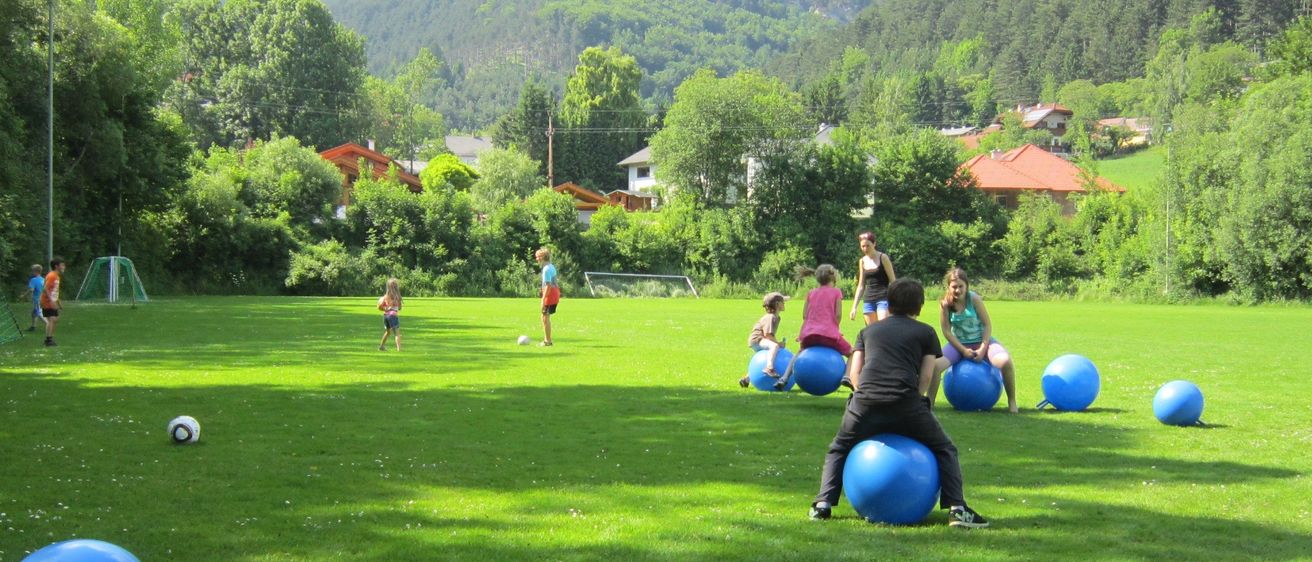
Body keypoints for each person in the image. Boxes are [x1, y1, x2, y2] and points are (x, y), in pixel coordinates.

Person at [809, 277, 989, 528]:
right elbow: (926, 375)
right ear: (919, 306)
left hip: (865, 403)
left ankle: (822, 505)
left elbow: (854, 374)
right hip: (906, 402)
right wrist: (915, 401)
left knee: (839, 448)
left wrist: (866, 397)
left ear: (889, 304)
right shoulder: (926, 332)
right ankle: (957, 509)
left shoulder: (867, 331)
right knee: (945, 448)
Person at [928, 267, 1018, 413]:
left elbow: (987, 325)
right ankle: (929, 403)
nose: (957, 290)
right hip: (958, 344)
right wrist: (963, 350)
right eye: (954, 287)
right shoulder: (946, 305)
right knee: (935, 366)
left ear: (967, 285)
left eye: (961, 286)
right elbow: (946, 331)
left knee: (1005, 361)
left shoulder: (974, 299)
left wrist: (982, 349)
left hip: (983, 341)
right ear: (949, 287)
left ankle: (1012, 401)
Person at [775, 265, 851, 390]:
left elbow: (805, 315)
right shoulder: (836, 292)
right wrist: (834, 329)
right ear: (833, 277)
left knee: (799, 353)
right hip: (829, 335)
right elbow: (838, 315)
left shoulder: (811, 293)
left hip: (809, 335)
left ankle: (784, 378)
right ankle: (846, 376)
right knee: (852, 353)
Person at [740, 292, 788, 388]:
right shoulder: (771, 317)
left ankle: (746, 379)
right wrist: (778, 343)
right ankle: (769, 368)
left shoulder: (776, 317)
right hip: (758, 339)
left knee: (767, 356)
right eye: (783, 302)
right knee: (774, 347)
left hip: (758, 339)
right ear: (777, 304)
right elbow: (768, 335)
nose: (784, 304)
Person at [849, 232, 897, 326]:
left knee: (883, 329)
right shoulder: (862, 261)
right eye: (862, 246)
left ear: (874, 243)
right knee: (871, 331)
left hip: (883, 298)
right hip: (868, 300)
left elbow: (893, 281)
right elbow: (861, 285)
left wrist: (896, 301)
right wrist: (854, 307)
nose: (865, 249)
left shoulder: (883, 257)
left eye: (868, 245)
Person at [535, 248, 560, 346]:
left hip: (550, 294)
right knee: (545, 317)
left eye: (537, 257)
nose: (536, 259)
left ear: (542, 257)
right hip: (555, 293)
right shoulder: (551, 266)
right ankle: (547, 340)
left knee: (545, 317)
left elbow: (548, 285)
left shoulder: (546, 269)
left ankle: (548, 341)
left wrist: (543, 299)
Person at [40, 258, 65, 347]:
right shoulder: (52, 276)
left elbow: (54, 290)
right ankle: (48, 340)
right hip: (47, 301)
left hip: (52, 301)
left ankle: (49, 338)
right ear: (56, 266)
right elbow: (45, 288)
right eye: (62, 265)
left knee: (54, 320)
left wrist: (58, 302)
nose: (63, 267)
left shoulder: (56, 276)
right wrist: (51, 300)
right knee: (52, 319)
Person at [377, 277, 402, 351]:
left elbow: (380, 306)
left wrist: (386, 308)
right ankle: (399, 349)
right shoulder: (397, 296)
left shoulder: (385, 296)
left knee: (388, 332)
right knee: (397, 333)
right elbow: (399, 307)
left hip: (386, 316)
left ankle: (382, 346)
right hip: (393, 315)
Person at [27, 264, 45, 332]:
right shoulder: (43, 279)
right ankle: (33, 326)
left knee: (38, 313)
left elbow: (31, 290)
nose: (32, 272)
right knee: (34, 313)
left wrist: (27, 296)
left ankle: (48, 324)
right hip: (42, 299)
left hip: (37, 299)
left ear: (35, 271)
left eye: (32, 271)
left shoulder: (33, 280)